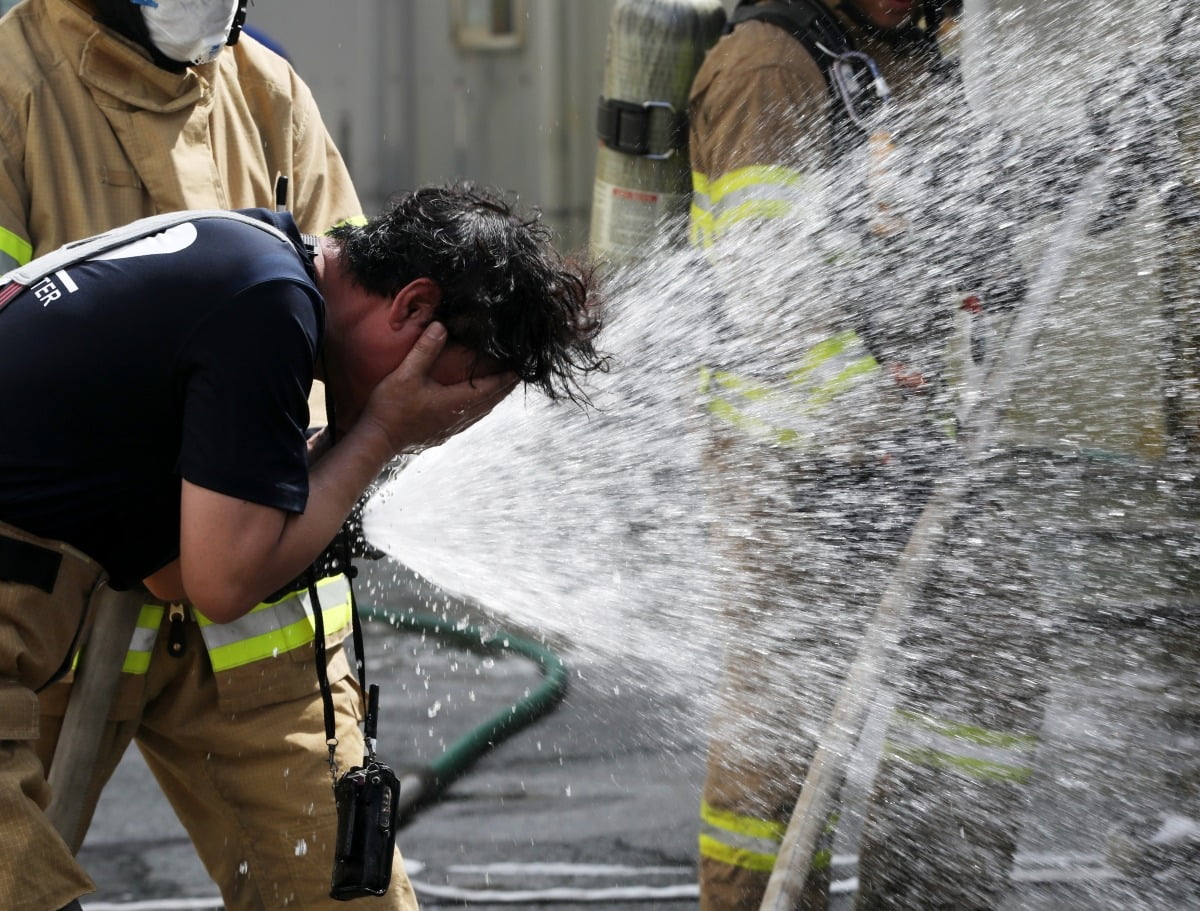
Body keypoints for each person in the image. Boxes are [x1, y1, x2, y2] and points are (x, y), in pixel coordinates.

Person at [0, 183, 606, 911]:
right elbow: (225, 585)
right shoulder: (268, 305)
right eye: (446, 393)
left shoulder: (256, 264)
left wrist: (339, 455)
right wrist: (381, 434)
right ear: (412, 308)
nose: (438, 426)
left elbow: (175, 575)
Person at [0, 1, 389, 907]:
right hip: (47, 628)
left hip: (258, 645)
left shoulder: (268, 92)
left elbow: (350, 330)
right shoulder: (15, 90)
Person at [687, 1, 1046, 909]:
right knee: (780, 754)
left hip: (910, 453)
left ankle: (930, 890)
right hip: (792, 469)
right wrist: (879, 408)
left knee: (981, 674)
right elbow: (774, 297)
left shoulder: (904, 51)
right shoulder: (770, 69)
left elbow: (922, 219)